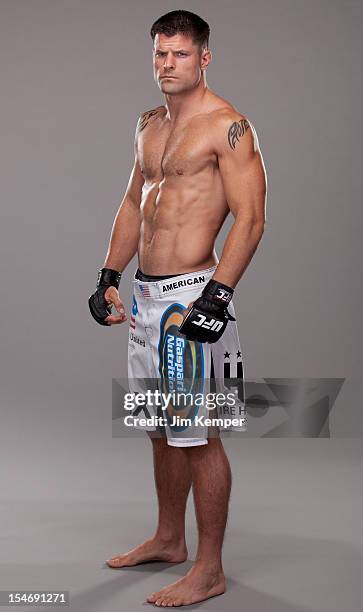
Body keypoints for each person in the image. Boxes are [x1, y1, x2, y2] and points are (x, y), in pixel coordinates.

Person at [89, 9, 267, 607]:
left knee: (199, 436)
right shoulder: (148, 125)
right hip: (145, 297)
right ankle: (169, 539)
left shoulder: (229, 126)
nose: (167, 65)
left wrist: (220, 295)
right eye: (160, 55)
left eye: (180, 55)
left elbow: (253, 216)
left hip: (193, 296)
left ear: (204, 58)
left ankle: (210, 568)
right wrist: (108, 274)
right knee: (160, 429)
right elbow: (133, 202)